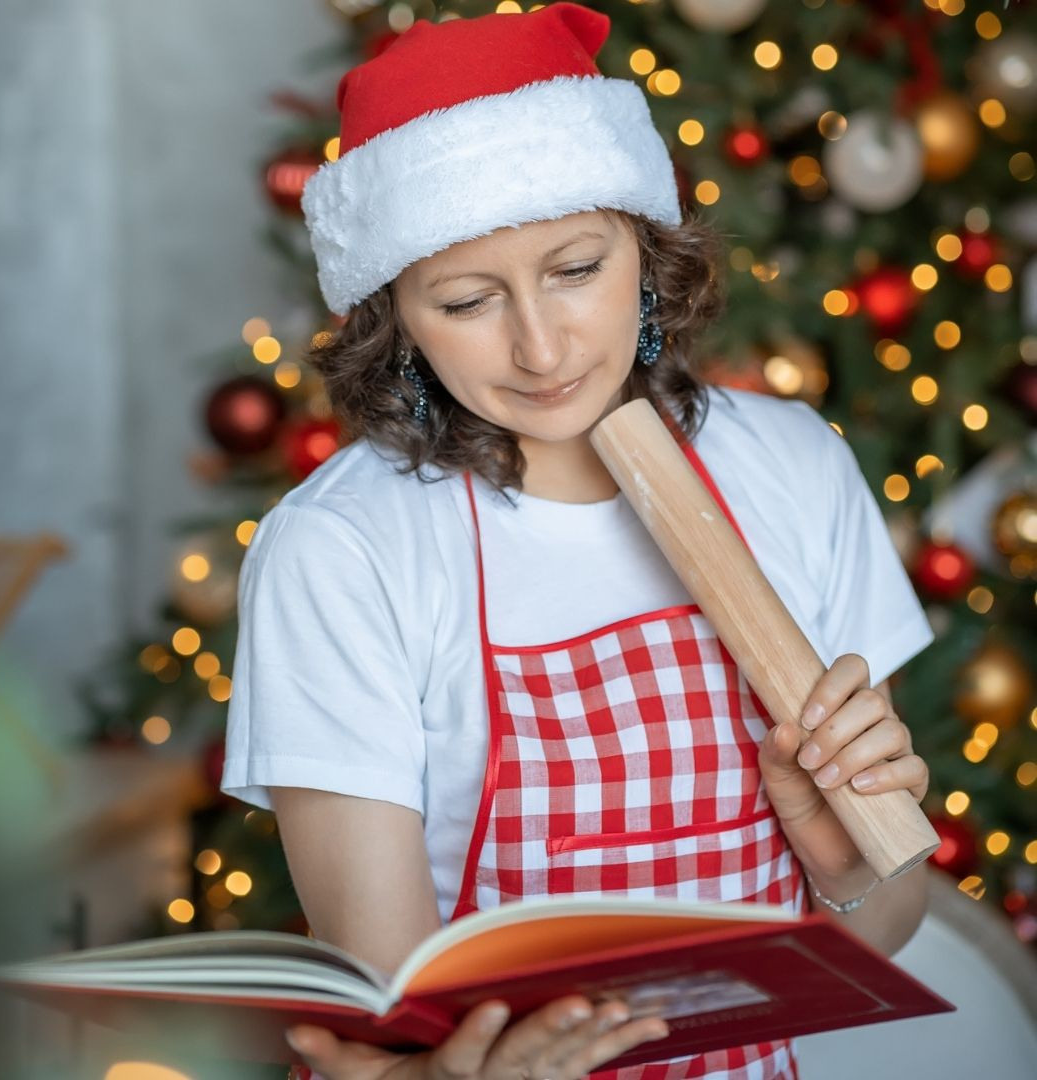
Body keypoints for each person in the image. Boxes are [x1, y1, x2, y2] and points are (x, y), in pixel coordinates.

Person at [221, 5, 936, 1078]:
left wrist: (841, 864)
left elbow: (882, 928)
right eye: (466, 299)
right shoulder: (342, 550)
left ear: (645, 248)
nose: (541, 346)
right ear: (397, 314)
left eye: (575, 269)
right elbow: (396, 1008)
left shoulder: (790, 467)